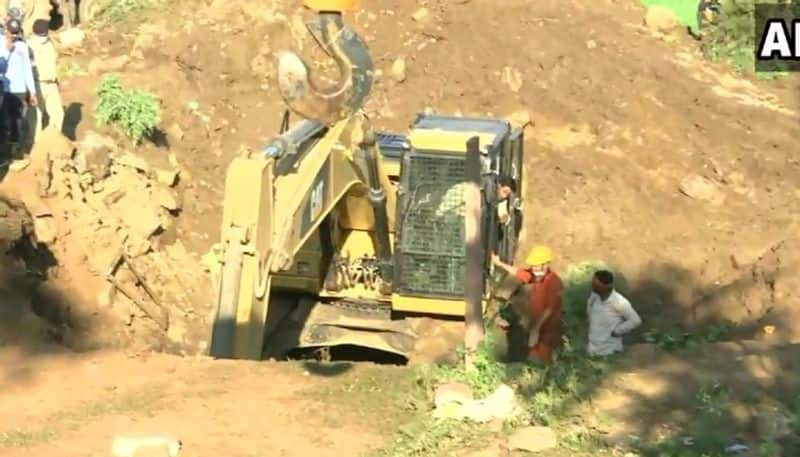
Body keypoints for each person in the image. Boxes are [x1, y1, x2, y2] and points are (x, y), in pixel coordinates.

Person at [491, 245, 563, 364]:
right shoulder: (537, 276)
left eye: (537, 267)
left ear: (546, 265)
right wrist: (500, 264)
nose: (534, 271)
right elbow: (520, 273)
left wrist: (536, 329)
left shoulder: (554, 283)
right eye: (533, 267)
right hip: (536, 327)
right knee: (531, 357)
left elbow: (550, 309)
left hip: (548, 331)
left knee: (543, 361)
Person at [586, 270, 642, 357]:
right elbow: (589, 313)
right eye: (593, 284)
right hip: (592, 351)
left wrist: (618, 331)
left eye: (596, 285)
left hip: (610, 352)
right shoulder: (594, 297)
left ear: (606, 286)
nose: (593, 287)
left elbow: (635, 320)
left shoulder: (619, 301)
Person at [2, 17, 37, 155]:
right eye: (12, 33)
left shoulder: (23, 46)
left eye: (17, 33)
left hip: (20, 89)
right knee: (5, 121)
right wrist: (7, 51)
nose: (14, 36)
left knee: (19, 121)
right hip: (5, 89)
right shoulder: (0, 44)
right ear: (6, 30)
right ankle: (5, 153)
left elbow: (27, 69)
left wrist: (32, 91)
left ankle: (17, 151)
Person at [28, 18, 61, 137]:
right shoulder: (29, 46)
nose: (44, 35)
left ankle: (54, 141)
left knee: (58, 114)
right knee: (36, 117)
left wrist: (56, 80)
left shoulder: (49, 44)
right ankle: (35, 145)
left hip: (52, 84)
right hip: (37, 84)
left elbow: (54, 62)